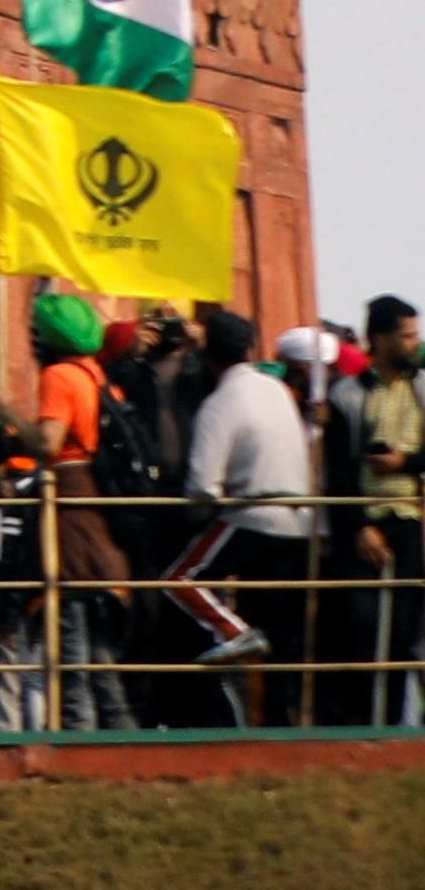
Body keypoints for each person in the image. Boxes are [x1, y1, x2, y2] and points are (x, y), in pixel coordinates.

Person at [180, 298, 319, 724]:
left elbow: (203, 486)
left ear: (208, 356)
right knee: (280, 636)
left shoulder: (221, 402)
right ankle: (280, 728)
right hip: (299, 523)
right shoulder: (275, 389)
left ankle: (233, 632)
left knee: (176, 581)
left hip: (251, 517)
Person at [334, 296, 425, 733]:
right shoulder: (348, 395)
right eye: (406, 335)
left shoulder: (422, 389)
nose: (415, 342)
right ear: (380, 338)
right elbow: (336, 469)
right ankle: (363, 726)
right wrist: (360, 527)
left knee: (405, 631)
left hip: (412, 520)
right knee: (361, 627)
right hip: (364, 521)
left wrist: (404, 463)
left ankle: (394, 728)